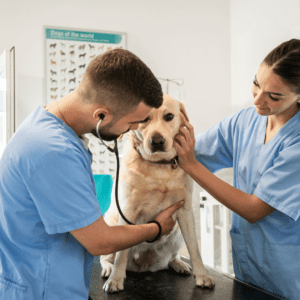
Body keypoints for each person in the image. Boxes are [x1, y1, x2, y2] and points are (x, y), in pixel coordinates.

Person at [0, 49, 185, 300]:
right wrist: (156, 228)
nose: (133, 132)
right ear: (101, 115)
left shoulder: (45, 126)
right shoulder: (54, 152)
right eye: (134, 123)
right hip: (43, 291)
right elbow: (100, 241)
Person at [174, 39, 300, 300]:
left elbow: (254, 209)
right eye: (256, 84)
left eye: (273, 96)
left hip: (288, 273)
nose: (257, 99)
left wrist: (192, 166)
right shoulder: (245, 121)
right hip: (248, 267)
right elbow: (188, 153)